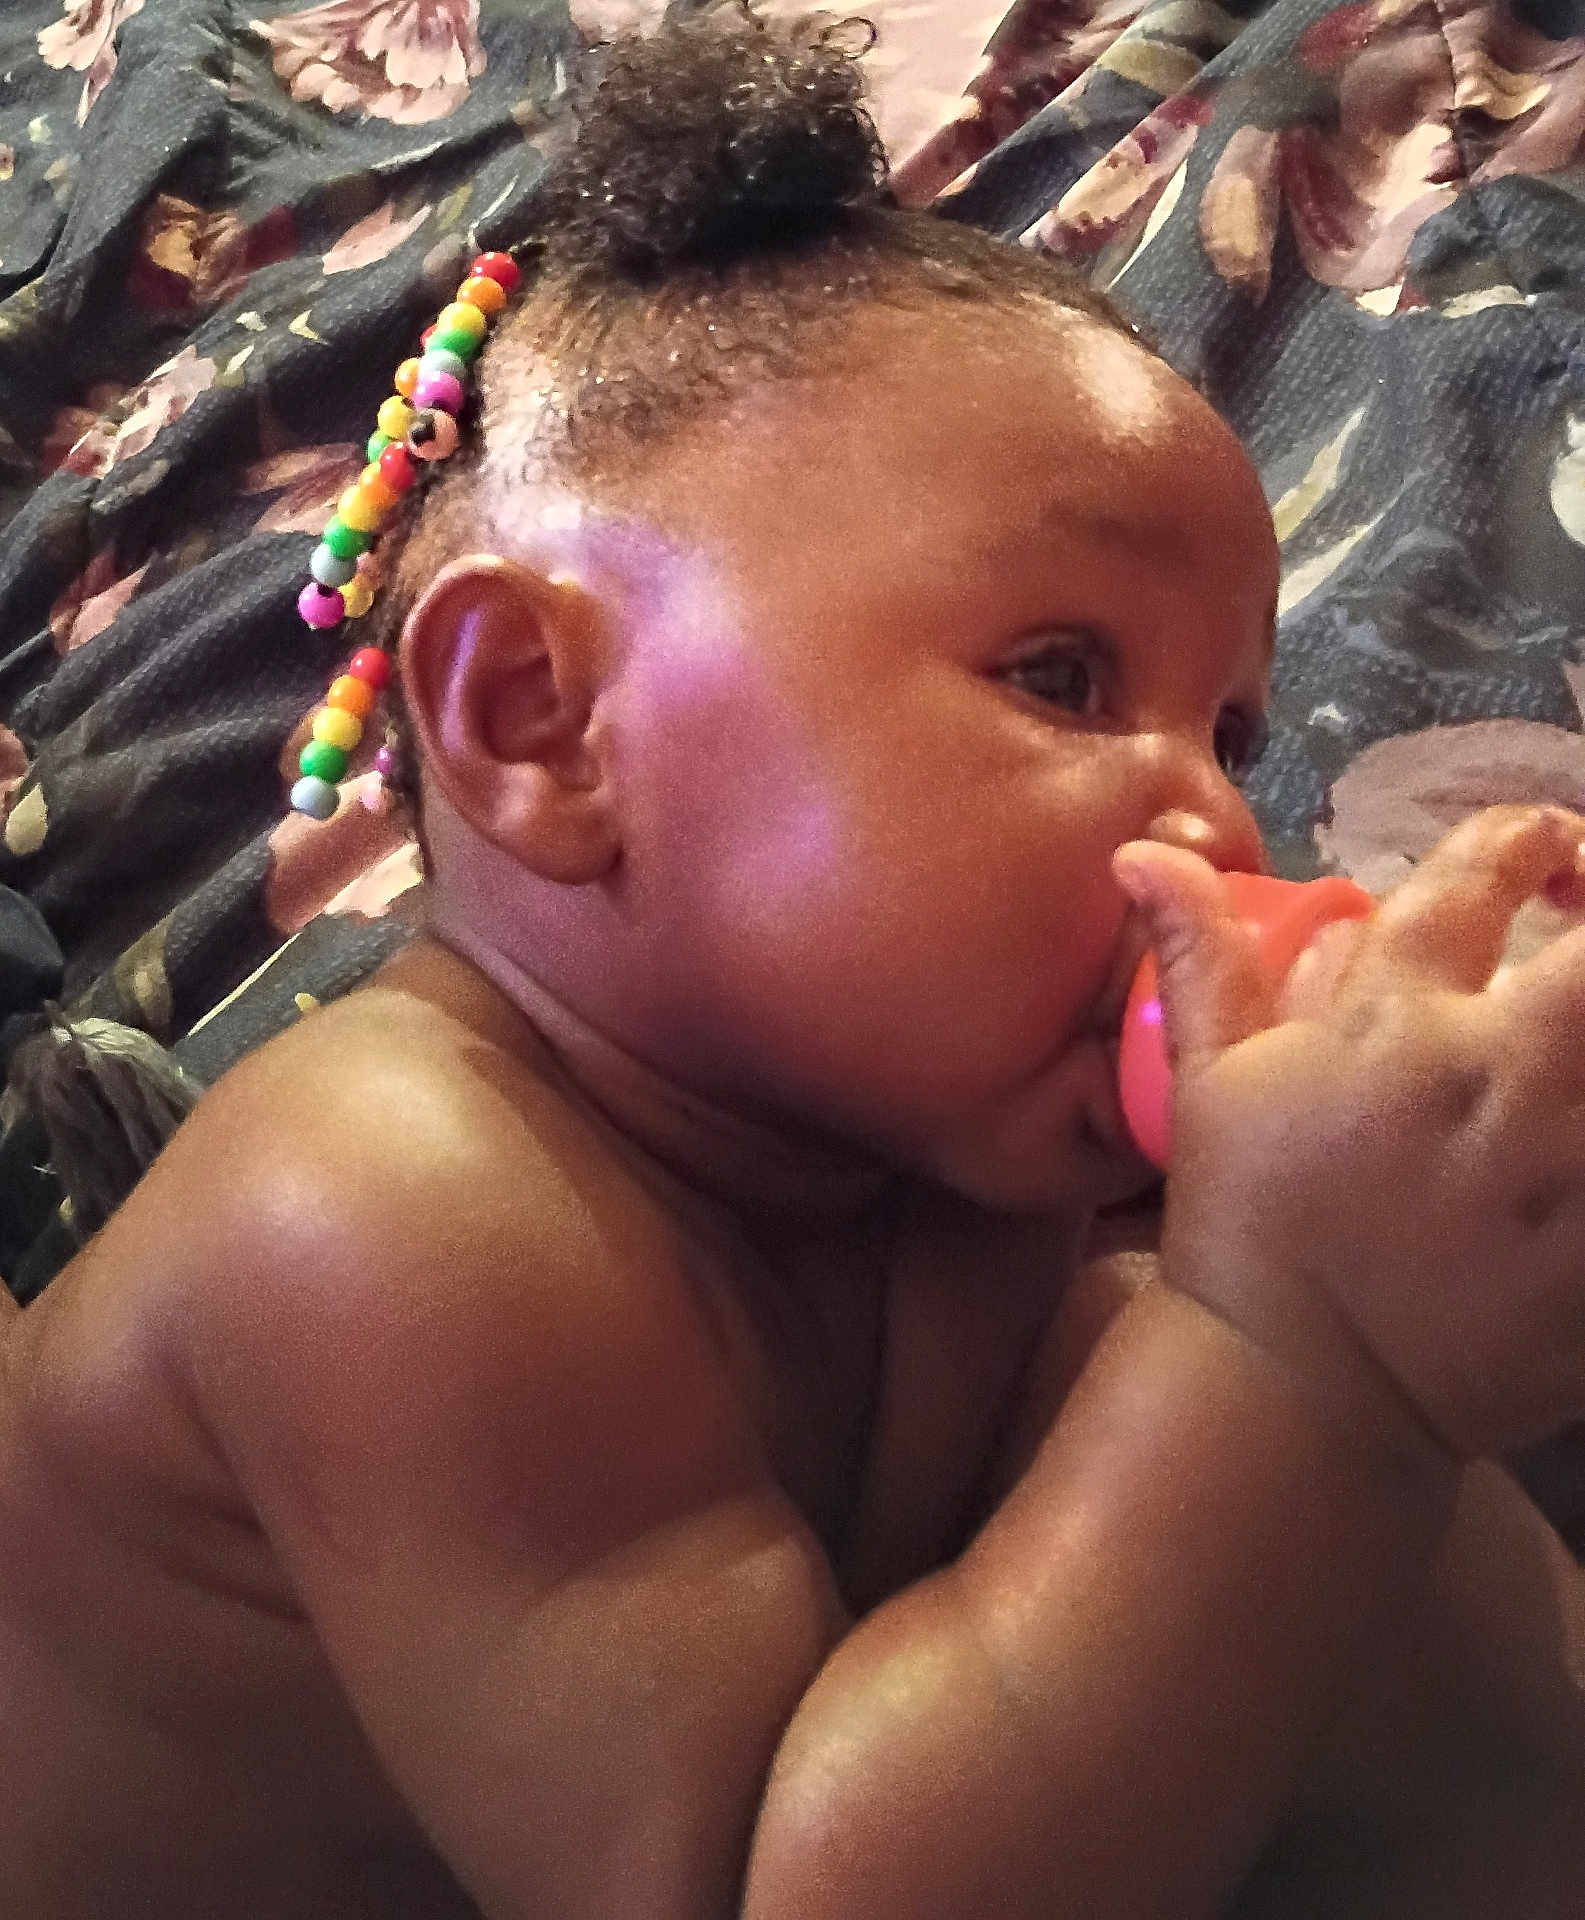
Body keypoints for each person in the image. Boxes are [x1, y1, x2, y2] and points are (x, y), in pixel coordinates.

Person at [3, 11, 1585, 1916]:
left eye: (1232, 735)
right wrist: (1313, 1354)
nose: (1223, 829)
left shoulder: (931, 1130)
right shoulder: (383, 1208)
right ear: (539, 723)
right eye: (1063, 677)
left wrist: (1442, 1195)